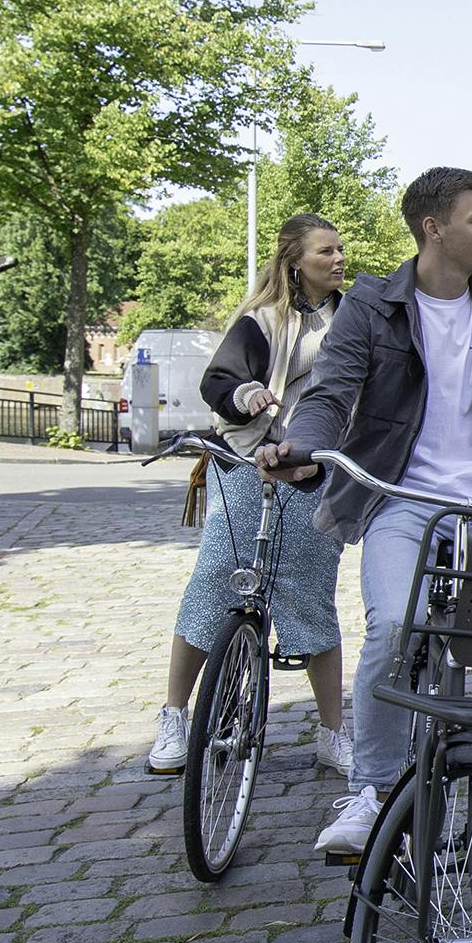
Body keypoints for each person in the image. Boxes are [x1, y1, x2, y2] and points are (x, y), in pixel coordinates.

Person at [265, 167, 472, 891]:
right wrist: (303, 447)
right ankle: (370, 790)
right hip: (399, 499)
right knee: (395, 627)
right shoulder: (374, 305)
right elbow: (331, 395)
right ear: (434, 229)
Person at [149, 213, 352, 777]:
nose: (338, 259)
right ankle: (174, 716)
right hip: (244, 464)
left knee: (311, 596)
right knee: (214, 579)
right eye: (325, 252)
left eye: (339, 249)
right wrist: (248, 394)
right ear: (295, 263)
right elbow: (218, 380)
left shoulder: (353, 319)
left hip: (315, 470)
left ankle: (333, 733)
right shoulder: (261, 321)